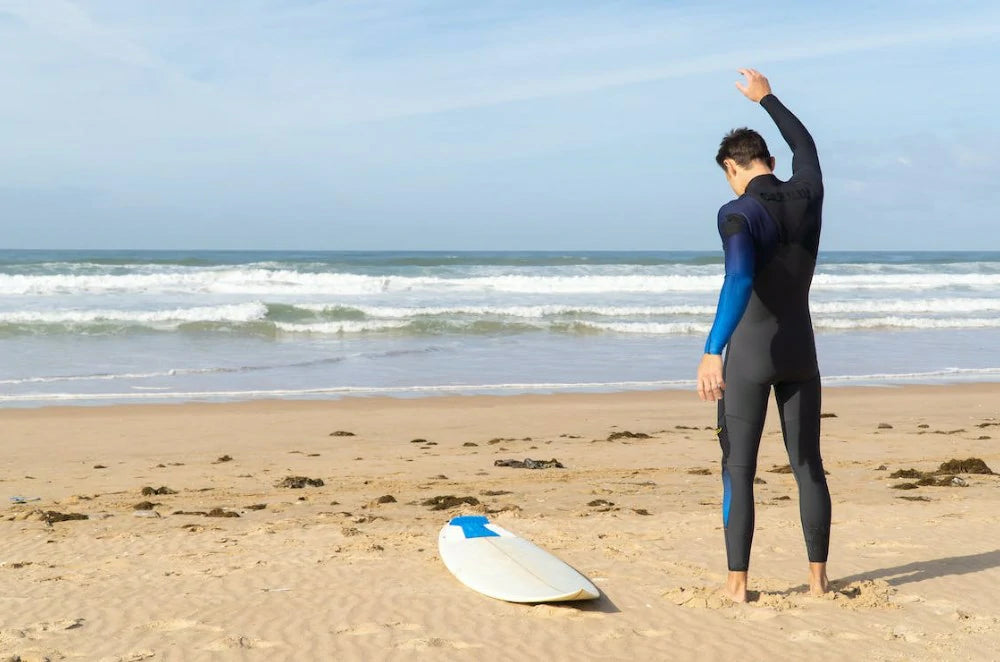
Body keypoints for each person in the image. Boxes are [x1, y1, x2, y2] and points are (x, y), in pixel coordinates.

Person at [696, 69, 831, 603]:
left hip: (751, 355)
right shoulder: (808, 190)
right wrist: (767, 97)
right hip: (802, 351)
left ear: (733, 167)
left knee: (739, 468)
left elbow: (740, 278)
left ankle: (738, 587)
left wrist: (712, 350)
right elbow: (807, 145)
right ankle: (819, 581)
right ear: (770, 162)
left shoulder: (737, 212)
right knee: (807, 467)